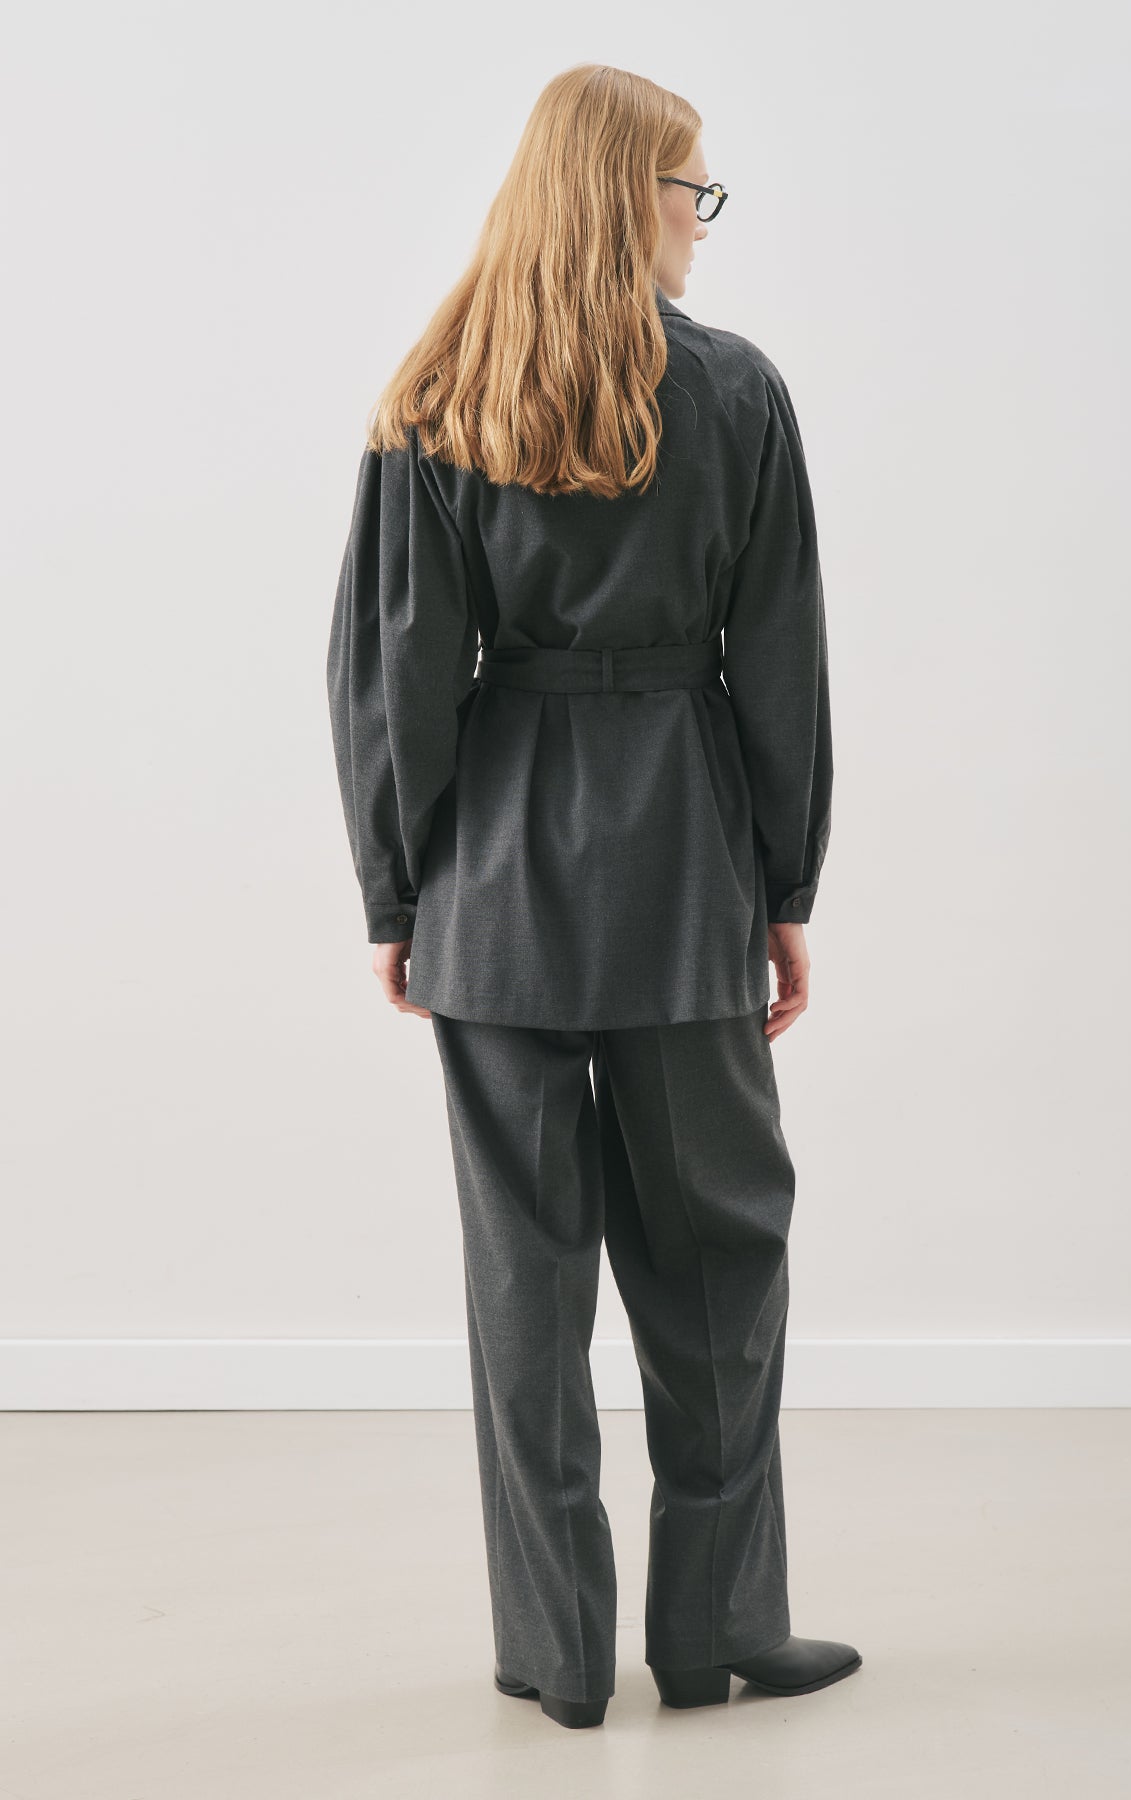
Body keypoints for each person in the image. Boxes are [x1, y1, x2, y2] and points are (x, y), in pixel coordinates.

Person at [326, 63, 861, 1731]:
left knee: (525, 1282)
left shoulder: (441, 395)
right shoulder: (737, 391)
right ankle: (716, 1630)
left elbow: (397, 671)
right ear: (631, 193)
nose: (701, 221)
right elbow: (782, 660)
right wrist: (784, 883)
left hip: (495, 884)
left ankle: (559, 1652)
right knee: (719, 1268)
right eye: (692, 188)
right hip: (685, 868)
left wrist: (396, 888)